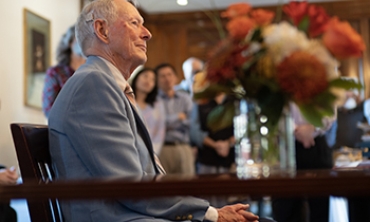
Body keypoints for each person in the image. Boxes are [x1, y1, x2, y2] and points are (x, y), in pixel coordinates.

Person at [48, 0, 259, 221]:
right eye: (134, 23)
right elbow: (129, 187)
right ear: (102, 30)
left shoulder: (104, 84)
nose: (147, 33)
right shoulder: (93, 85)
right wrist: (211, 214)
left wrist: (207, 211)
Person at [272, 103, 336, 222]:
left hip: (317, 144)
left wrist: (313, 128)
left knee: (321, 208)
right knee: (285, 209)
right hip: (284, 145)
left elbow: (331, 109)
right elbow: (271, 109)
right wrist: (296, 130)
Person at [156, 63, 196, 175]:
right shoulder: (154, 101)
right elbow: (158, 124)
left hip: (184, 146)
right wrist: (178, 117)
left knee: (187, 187)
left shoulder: (185, 98)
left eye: (169, 74)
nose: (167, 78)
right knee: (163, 187)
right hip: (162, 148)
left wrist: (167, 123)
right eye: (162, 76)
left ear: (176, 77)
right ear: (157, 80)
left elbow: (190, 122)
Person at [42, 25, 86, 118]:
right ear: (70, 42)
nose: (84, 42)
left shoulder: (92, 75)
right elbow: (49, 110)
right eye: (79, 37)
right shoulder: (55, 73)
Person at [131, 67, 165, 155]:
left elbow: (160, 132)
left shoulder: (157, 105)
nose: (148, 81)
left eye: (153, 79)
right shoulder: (126, 101)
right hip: (129, 150)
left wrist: (152, 154)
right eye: (145, 76)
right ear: (136, 77)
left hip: (151, 152)